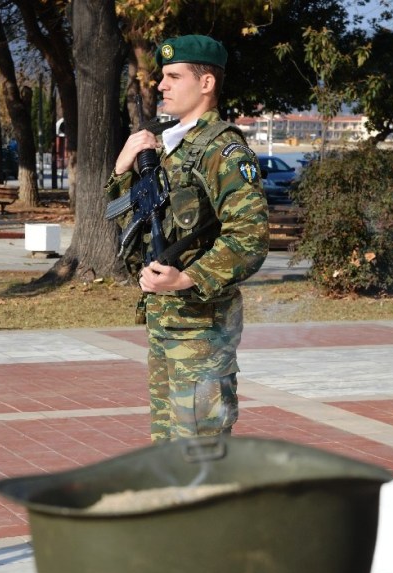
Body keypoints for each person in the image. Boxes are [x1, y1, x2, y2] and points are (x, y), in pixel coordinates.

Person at [105, 34, 269, 441]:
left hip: (201, 327)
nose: (161, 85)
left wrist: (187, 278)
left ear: (206, 83)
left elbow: (250, 236)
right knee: (168, 444)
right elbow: (133, 220)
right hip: (166, 320)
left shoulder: (223, 151)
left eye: (174, 77)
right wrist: (122, 170)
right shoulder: (167, 148)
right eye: (163, 76)